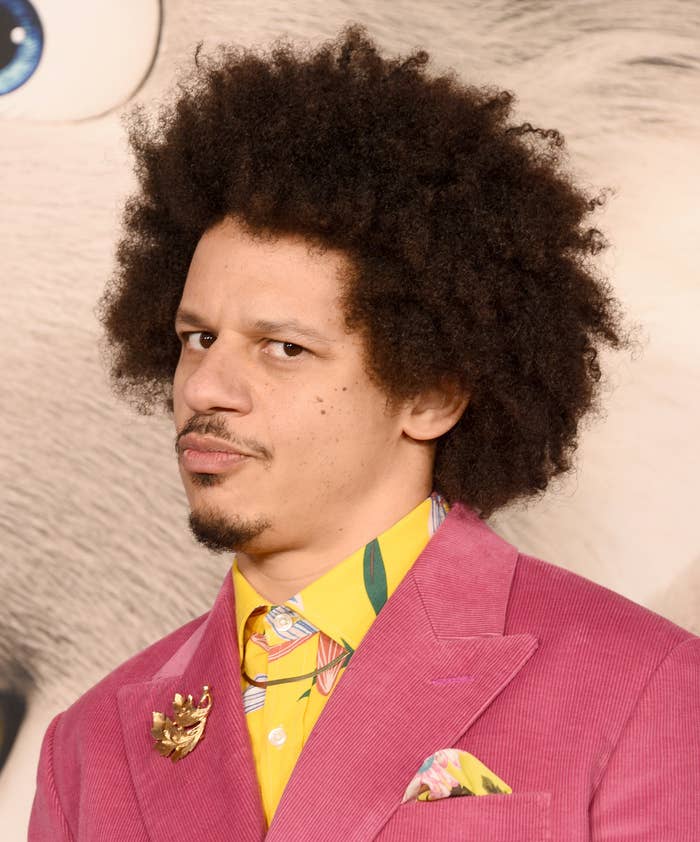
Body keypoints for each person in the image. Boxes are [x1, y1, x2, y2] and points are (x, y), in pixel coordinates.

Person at [29, 24, 699, 841]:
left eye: (284, 349)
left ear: (430, 394)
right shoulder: (87, 744)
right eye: (197, 338)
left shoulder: (643, 685)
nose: (205, 387)